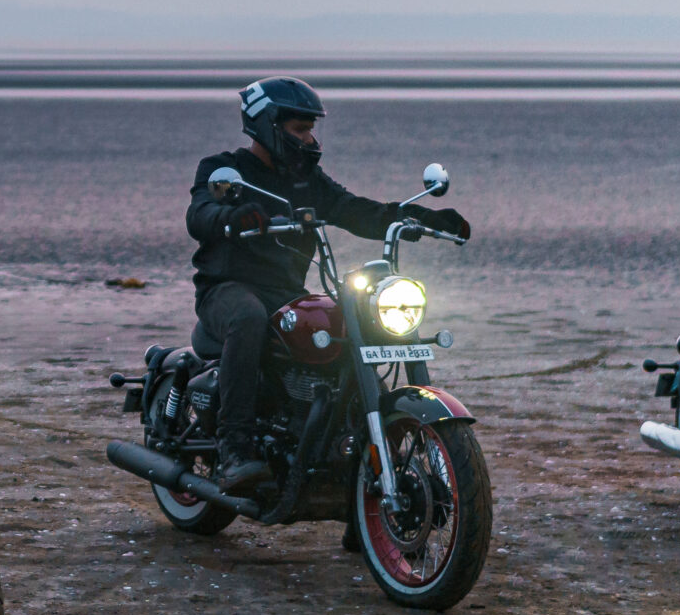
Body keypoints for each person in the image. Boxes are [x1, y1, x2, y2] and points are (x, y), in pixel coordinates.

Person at [187, 77, 470, 491]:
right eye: (299, 129)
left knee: (342, 321)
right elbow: (199, 213)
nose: (309, 138)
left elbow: (353, 209)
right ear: (268, 125)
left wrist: (421, 218)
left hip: (285, 293)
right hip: (226, 289)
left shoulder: (306, 180)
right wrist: (230, 216)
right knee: (247, 317)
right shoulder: (225, 171)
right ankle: (235, 449)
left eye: (310, 129)